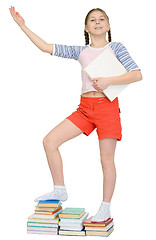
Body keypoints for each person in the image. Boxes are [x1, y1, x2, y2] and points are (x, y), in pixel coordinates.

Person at [9, 6, 143, 222]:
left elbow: (136, 74)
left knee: (106, 159)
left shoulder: (116, 48)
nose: (97, 22)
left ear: (108, 26)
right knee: (50, 141)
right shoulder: (80, 51)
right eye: (92, 20)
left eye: (102, 19)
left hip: (107, 107)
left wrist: (109, 81)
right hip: (85, 108)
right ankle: (59, 189)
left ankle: (105, 208)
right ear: (86, 27)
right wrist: (22, 25)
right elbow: (46, 47)